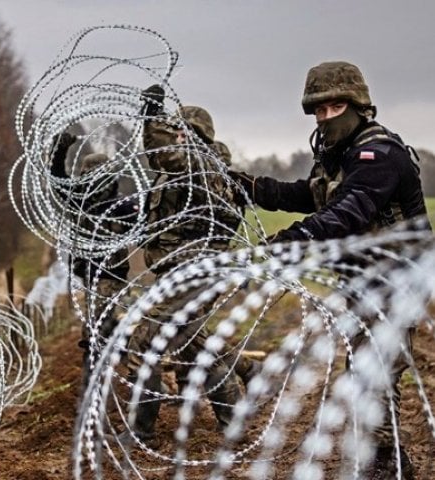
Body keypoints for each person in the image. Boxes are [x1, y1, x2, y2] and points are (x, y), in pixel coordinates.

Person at [230, 61, 429, 479]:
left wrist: (294, 238)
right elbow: (310, 195)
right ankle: (391, 462)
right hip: (363, 280)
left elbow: (349, 210)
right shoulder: (338, 158)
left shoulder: (379, 155)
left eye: (334, 107)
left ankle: (383, 464)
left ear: (357, 106)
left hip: (395, 281)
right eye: (318, 111)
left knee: (372, 375)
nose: (325, 118)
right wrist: (251, 187)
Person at [119, 85, 260, 445]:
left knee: (142, 344)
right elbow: (162, 160)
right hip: (182, 272)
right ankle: (236, 419)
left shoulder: (203, 164)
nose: (178, 137)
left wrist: (151, 116)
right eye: (176, 130)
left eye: (184, 132)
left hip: (192, 273)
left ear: (199, 137)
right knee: (193, 345)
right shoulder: (186, 169)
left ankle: (141, 431)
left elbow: (168, 154)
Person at [49, 132, 138, 390]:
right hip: (92, 274)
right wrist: (60, 148)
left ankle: (95, 387)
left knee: (97, 329)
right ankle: (132, 371)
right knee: (104, 326)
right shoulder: (81, 201)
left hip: (110, 275)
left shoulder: (118, 204)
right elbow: (57, 179)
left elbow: (141, 225)